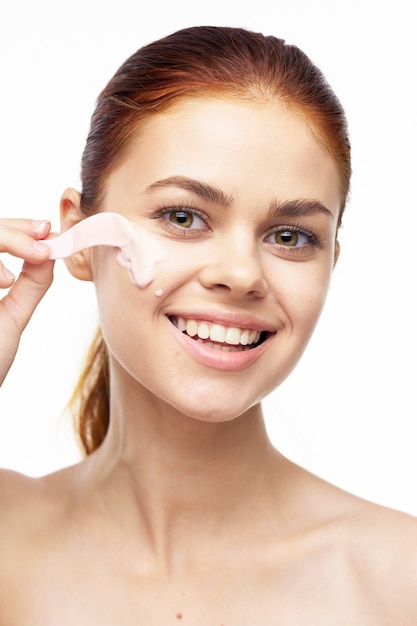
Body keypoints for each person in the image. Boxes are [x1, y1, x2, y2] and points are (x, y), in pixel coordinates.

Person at [0, 25, 416, 624]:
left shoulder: (400, 581)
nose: (242, 274)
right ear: (79, 238)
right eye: (183, 216)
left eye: (290, 236)